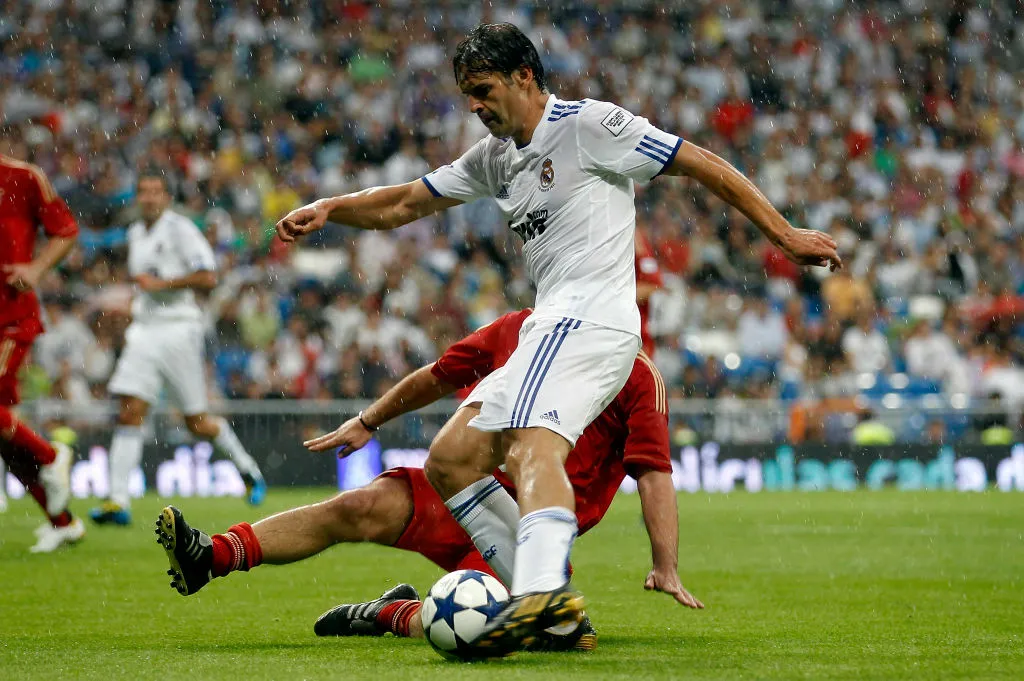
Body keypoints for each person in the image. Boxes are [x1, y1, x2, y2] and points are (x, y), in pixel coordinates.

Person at [276, 23, 840, 654]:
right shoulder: (495, 156)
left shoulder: (588, 125)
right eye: (467, 95)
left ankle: (543, 594)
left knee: (529, 444)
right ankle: (549, 607)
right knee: (452, 459)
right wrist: (331, 206)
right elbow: (405, 202)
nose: (475, 106)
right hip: (555, 322)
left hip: (590, 318)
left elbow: (699, 162)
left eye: (483, 90)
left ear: (525, 77)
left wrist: (784, 235)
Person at [155, 309, 702, 652]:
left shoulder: (634, 374)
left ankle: (392, 613)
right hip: (457, 488)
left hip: (521, 533)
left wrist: (666, 564)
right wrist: (368, 421)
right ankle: (213, 556)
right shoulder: (517, 329)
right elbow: (438, 376)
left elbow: (653, 474)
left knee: (490, 631)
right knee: (357, 506)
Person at [90, 169, 265, 526]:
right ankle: (118, 501)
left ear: (167, 197)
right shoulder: (136, 232)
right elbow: (146, 283)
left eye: (156, 191)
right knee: (129, 410)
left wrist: (162, 284)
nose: (150, 197)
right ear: (137, 196)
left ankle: (248, 469)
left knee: (197, 422)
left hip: (179, 329)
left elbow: (208, 275)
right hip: (144, 330)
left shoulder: (181, 229)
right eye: (144, 190)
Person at [0, 127, 83, 552]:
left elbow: (66, 229)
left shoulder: (23, 178)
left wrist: (34, 270)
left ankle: (53, 458)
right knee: (4, 437)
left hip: (9, 317)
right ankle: (62, 521)